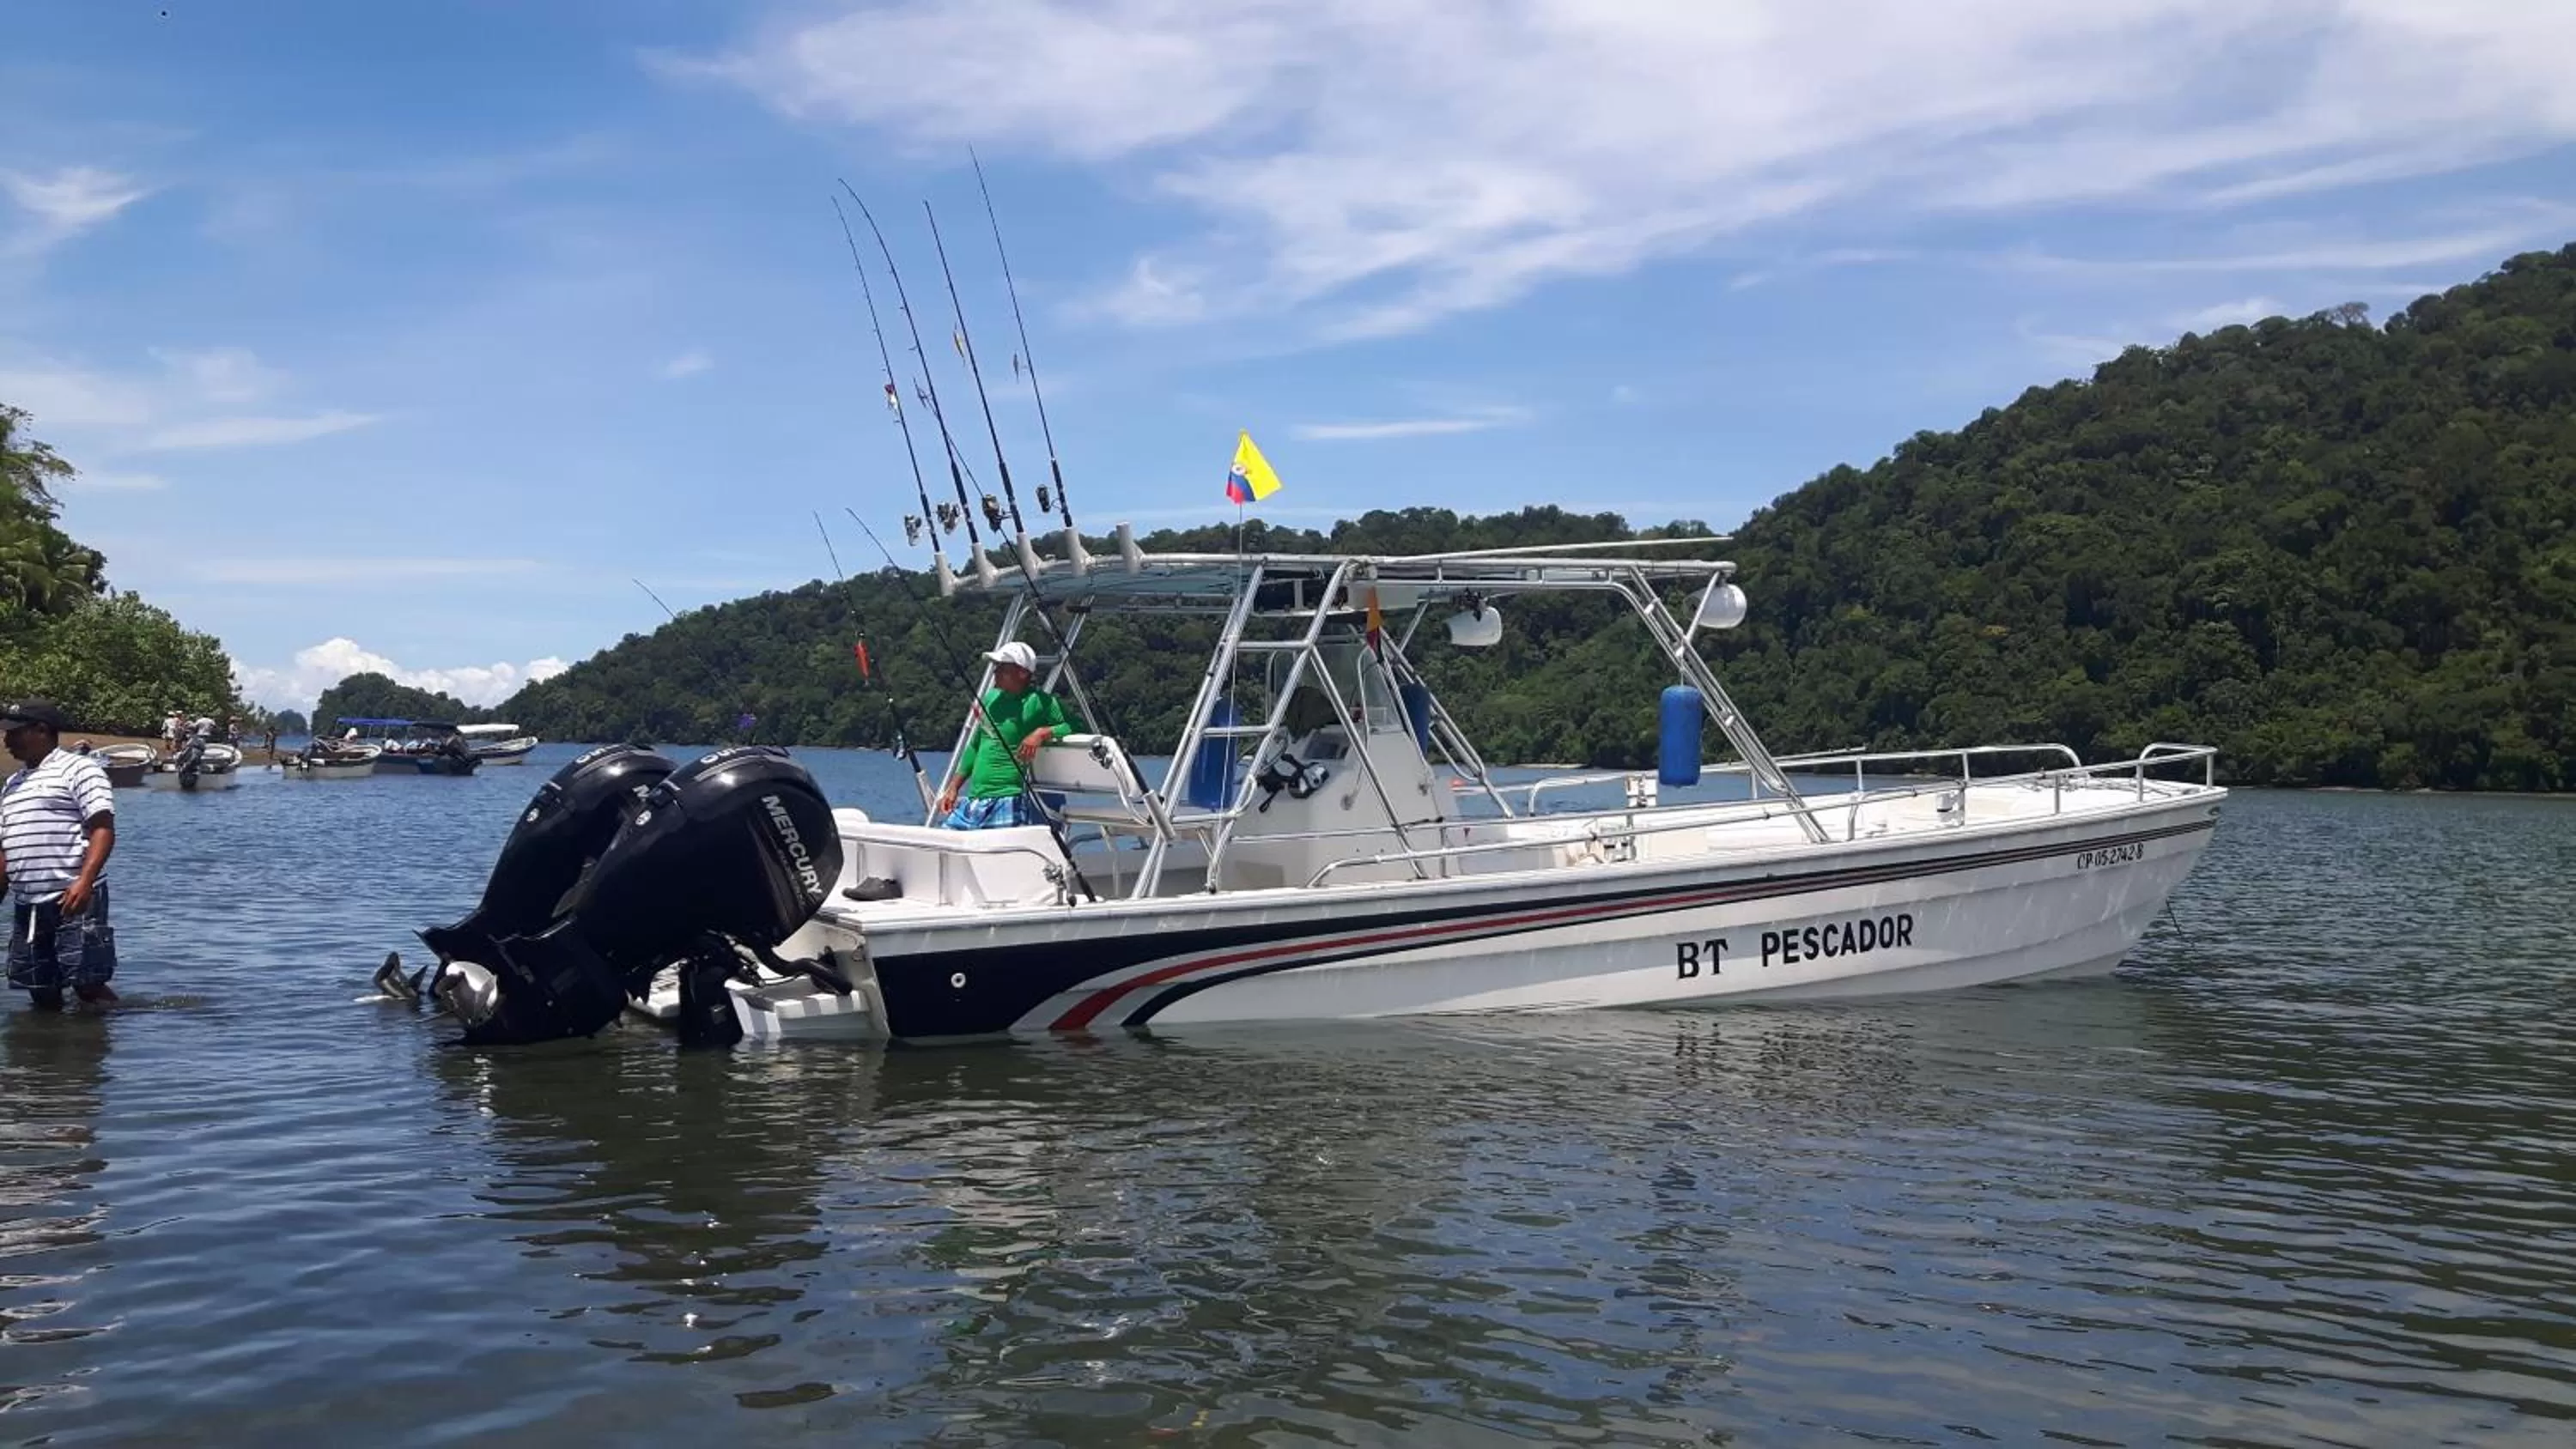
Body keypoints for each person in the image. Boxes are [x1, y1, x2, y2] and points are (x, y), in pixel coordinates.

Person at [1, 700, 118, 1012]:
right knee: (38, 987)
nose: (6, 740)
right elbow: (6, 848)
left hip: (73, 894)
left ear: (41, 730)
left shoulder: (80, 769)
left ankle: (98, 1046)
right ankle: (44, 1058)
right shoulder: (12, 785)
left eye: (14, 732)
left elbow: (103, 829)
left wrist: (85, 882)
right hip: (28, 902)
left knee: (87, 984)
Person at [935, 640, 1072, 829]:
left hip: (1008, 800)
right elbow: (975, 745)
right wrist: (954, 787)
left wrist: (1042, 733)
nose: (995, 672)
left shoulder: (1040, 702)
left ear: (1022, 673)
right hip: (974, 800)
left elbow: (1073, 726)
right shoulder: (990, 698)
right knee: (946, 847)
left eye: (1002, 668)